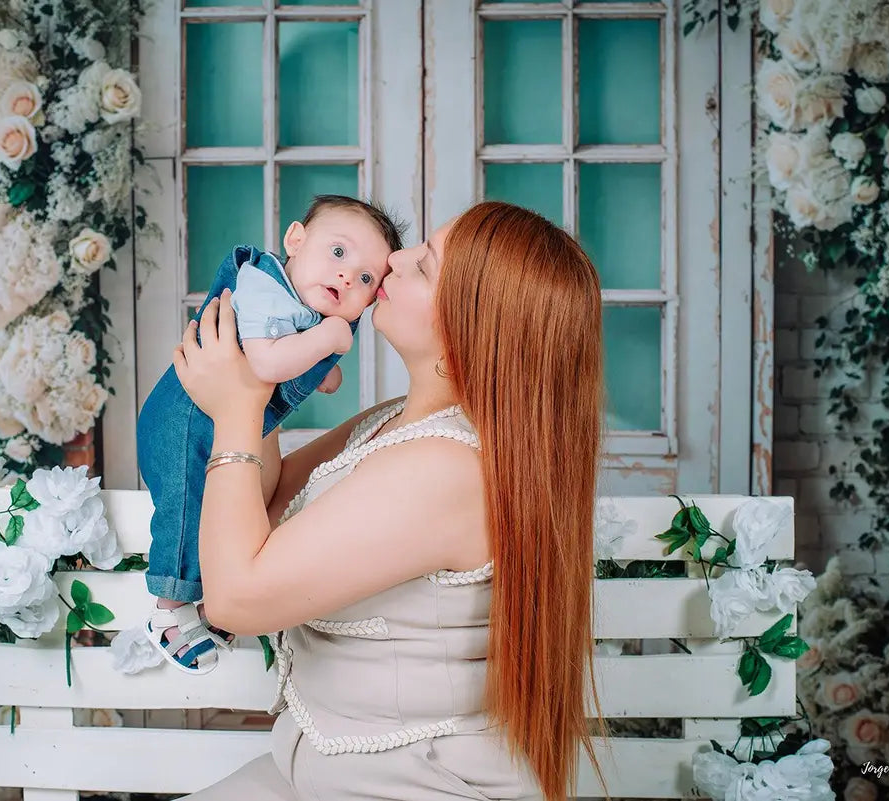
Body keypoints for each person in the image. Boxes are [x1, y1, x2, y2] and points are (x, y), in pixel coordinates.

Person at [170, 201, 612, 801]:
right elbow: (263, 511)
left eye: (424, 267)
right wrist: (260, 371)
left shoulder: (444, 469)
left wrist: (238, 408)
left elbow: (234, 600)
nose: (394, 260)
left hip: (407, 787)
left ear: (466, 334)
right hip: (315, 773)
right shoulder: (392, 425)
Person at [136, 195, 404, 673]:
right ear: (295, 241)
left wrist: (323, 361)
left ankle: (212, 602)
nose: (347, 276)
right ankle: (169, 611)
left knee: (228, 511)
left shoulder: (305, 309)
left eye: (366, 278)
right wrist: (328, 340)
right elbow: (265, 362)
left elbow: (305, 367)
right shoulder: (263, 284)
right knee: (185, 510)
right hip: (182, 425)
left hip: (223, 427)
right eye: (338, 253)